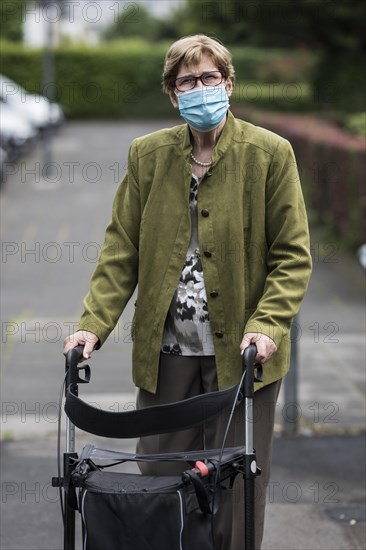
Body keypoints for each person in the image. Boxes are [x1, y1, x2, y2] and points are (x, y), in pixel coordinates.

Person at [63, 34, 312, 550]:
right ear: (173, 95)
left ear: (228, 83)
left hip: (243, 360)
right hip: (167, 354)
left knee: (237, 493)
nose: (201, 89)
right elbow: (120, 251)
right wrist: (92, 324)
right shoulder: (148, 156)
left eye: (210, 78)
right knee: (159, 486)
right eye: (188, 81)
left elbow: (292, 257)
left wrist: (266, 327)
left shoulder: (270, 154)